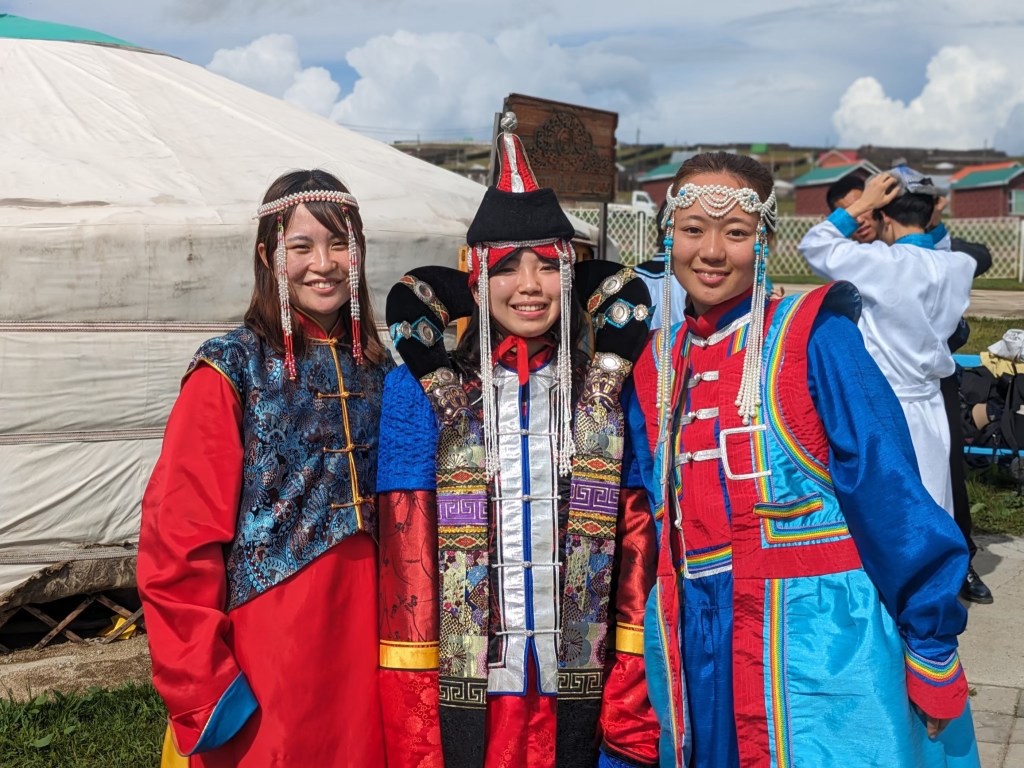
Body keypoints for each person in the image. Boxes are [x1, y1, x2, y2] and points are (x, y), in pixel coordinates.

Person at [630, 152, 979, 767]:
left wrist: (930, 642)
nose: (711, 251)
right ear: (668, 236)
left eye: (736, 232)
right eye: (693, 230)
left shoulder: (814, 336)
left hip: (814, 638)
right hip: (692, 644)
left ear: (763, 241)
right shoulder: (656, 361)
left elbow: (889, 491)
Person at [376, 114, 659, 768]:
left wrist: (631, 683)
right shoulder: (419, 394)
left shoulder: (608, 391)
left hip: (582, 681)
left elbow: (637, 538)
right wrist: (414, 714)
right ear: (475, 279)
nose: (530, 286)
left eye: (547, 267)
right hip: (473, 687)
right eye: (507, 268)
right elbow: (406, 560)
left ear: (572, 276)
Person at [138, 169, 392, 767]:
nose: (323, 264)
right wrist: (200, 676)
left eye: (339, 244)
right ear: (266, 256)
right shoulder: (230, 370)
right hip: (269, 647)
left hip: (372, 642)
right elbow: (177, 536)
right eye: (301, 246)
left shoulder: (385, 373)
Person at [819, 170, 994, 602]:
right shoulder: (855, 260)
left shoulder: (908, 253)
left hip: (924, 388)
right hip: (869, 389)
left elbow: (978, 254)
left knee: (941, 478)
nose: (859, 218)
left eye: (864, 206)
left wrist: (928, 225)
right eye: (847, 212)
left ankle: (955, 563)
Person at [799, 168, 975, 518]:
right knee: (934, 496)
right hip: (931, 401)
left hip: (883, 402)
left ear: (885, 218)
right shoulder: (959, 265)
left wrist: (862, 203)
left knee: (888, 504)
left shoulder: (880, 262)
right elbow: (937, 245)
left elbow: (814, 244)